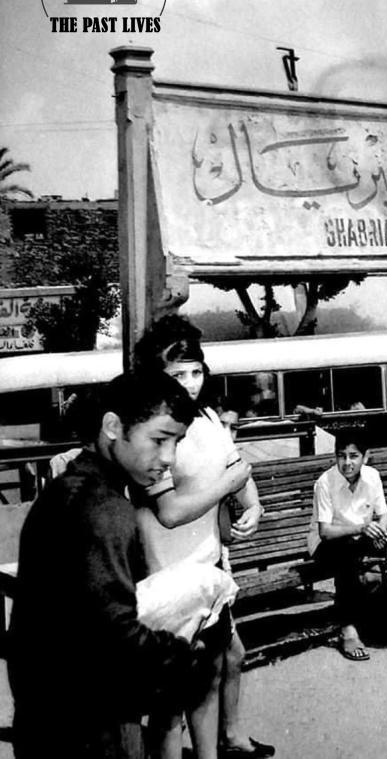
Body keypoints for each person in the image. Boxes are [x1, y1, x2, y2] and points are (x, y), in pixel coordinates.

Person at [8, 372, 215, 758]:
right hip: (86, 725)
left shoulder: (64, 489)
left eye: (177, 442)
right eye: (158, 440)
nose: (168, 458)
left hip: (42, 713)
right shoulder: (105, 510)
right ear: (112, 426)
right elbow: (115, 635)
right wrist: (186, 659)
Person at [133, 316, 274, 759]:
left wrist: (252, 504)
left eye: (196, 372)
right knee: (170, 702)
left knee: (208, 680)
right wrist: (228, 488)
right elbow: (169, 511)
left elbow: (236, 469)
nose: (190, 383)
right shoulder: (151, 431)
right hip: (167, 575)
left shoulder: (209, 417)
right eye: (178, 374)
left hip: (209, 570)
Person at [307, 429, 387, 661]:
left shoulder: (372, 476)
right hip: (327, 545)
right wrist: (362, 529)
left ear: (366, 457)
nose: (347, 463)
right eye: (341, 456)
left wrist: (379, 530)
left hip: (360, 536)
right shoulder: (324, 483)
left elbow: (385, 517)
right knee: (347, 552)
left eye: (353, 456)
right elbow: (325, 532)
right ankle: (348, 630)